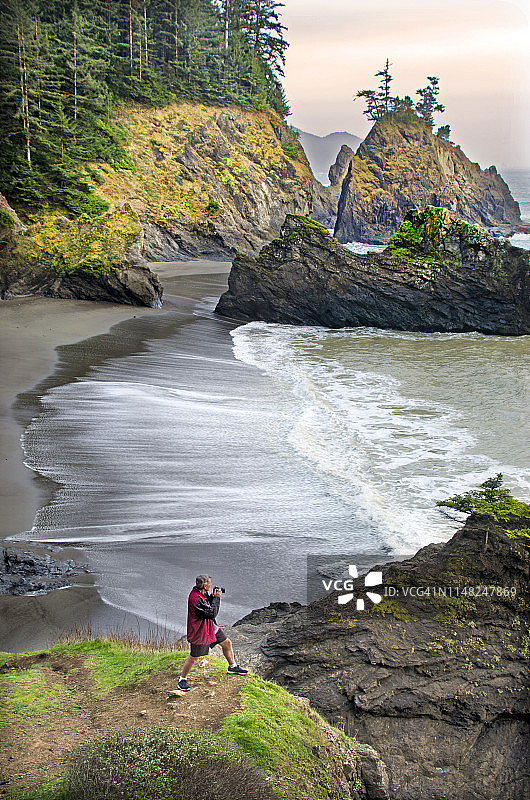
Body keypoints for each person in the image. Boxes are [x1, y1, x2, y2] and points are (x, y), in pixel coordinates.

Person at [177, 574, 248, 692]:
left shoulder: (200, 593)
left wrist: (212, 597)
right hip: (201, 631)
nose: (211, 585)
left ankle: (232, 666)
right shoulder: (195, 599)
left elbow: (207, 606)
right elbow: (211, 613)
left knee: (227, 643)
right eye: (209, 583)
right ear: (205, 586)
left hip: (210, 627)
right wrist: (217, 598)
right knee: (194, 657)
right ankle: (182, 679)